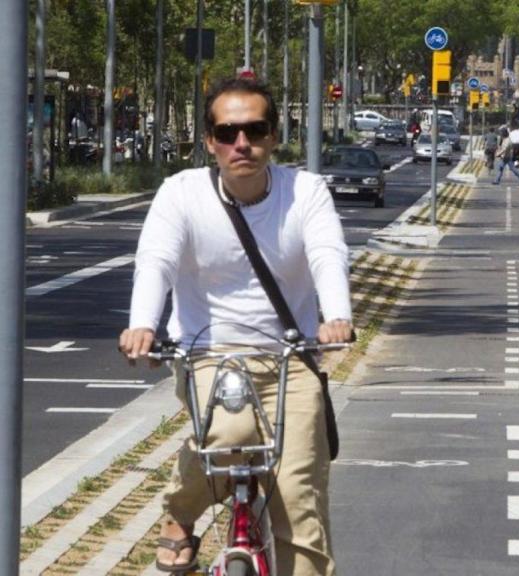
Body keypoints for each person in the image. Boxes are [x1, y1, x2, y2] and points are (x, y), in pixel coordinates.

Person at [118, 77, 354, 575]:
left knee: (298, 498)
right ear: (209, 142)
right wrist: (142, 324)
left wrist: (337, 316)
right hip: (208, 355)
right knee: (229, 433)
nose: (240, 143)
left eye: (254, 129)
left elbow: (327, 254)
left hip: (292, 358)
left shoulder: (305, 192)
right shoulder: (180, 194)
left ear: (273, 136)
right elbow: (156, 261)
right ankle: (180, 515)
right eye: (227, 133)